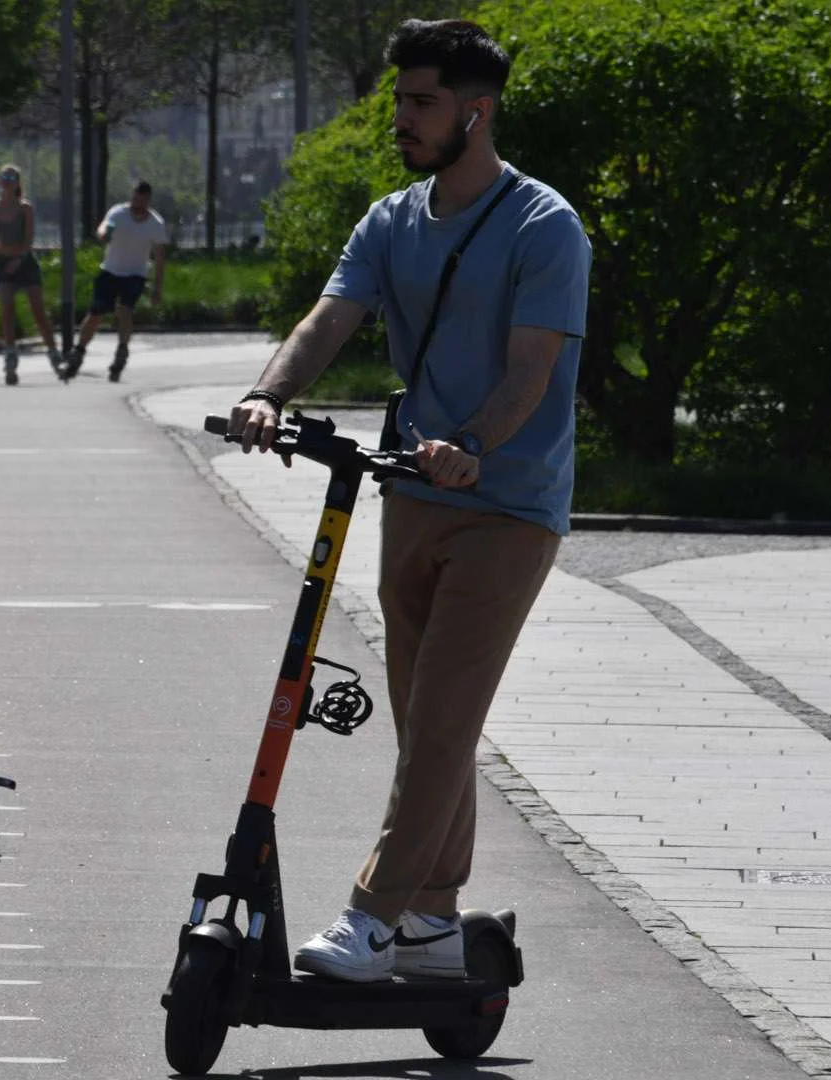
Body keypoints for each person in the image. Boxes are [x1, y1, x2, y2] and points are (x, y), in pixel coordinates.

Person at [228, 18, 591, 982]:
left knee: (440, 719)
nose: (402, 119)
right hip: (411, 490)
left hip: (508, 503)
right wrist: (269, 394)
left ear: (476, 113)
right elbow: (328, 319)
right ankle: (433, 922)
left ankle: (372, 914)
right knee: (428, 718)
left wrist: (472, 445)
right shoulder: (391, 220)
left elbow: (530, 372)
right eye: (399, 101)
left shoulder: (543, 225)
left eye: (422, 103)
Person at [65, 180, 168, 383]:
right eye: (136, 199)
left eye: (143, 201)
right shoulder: (118, 213)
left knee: (125, 310)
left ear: (149, 201)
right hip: (111, 271)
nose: (138, 205)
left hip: (135, 274)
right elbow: (105, 227)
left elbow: (160, 257)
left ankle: (121, 351)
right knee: (95, 314)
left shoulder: (155, 224)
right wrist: (103, 234)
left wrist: (157, 287)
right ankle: (78, 352)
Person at [0, 163, 60, 384]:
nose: (7, 181)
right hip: (2, 263)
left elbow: (28, 240)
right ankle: (10, 357)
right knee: (7, 309)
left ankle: (53, 353)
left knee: (38, 310)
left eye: (12, 177)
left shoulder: (25, 208)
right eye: (4, 177)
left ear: (17, 183)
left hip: (24, 262)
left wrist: (17, 259)